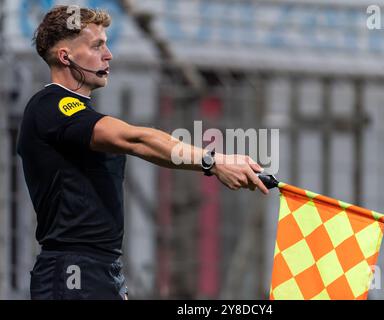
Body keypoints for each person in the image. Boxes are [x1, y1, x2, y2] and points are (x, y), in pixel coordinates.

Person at [17, 5, 268, 300]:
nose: (108, 55)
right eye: (97, 46)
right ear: (65, 56)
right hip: (73, 273)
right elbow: (135, 139)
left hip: (97, 270)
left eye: (106, 45)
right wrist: (213, 162)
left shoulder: (72, 110)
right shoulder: (53, 105)